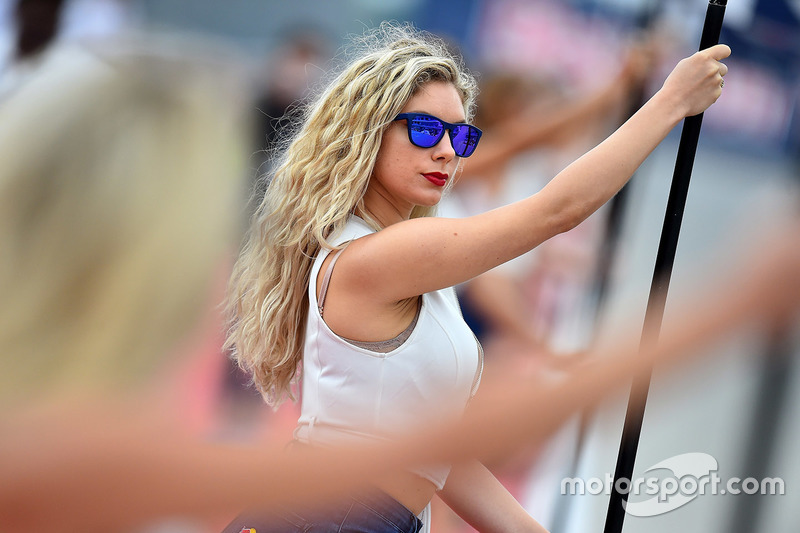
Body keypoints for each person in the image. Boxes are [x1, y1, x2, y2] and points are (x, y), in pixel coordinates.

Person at [224, 22, 731, 532]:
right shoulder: (380, 255)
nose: (447, 150)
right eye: (424, 129)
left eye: (460, 135)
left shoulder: (413, 260)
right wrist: (669, 103)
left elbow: (437, 457)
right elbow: (556, 211)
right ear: (367, 131)